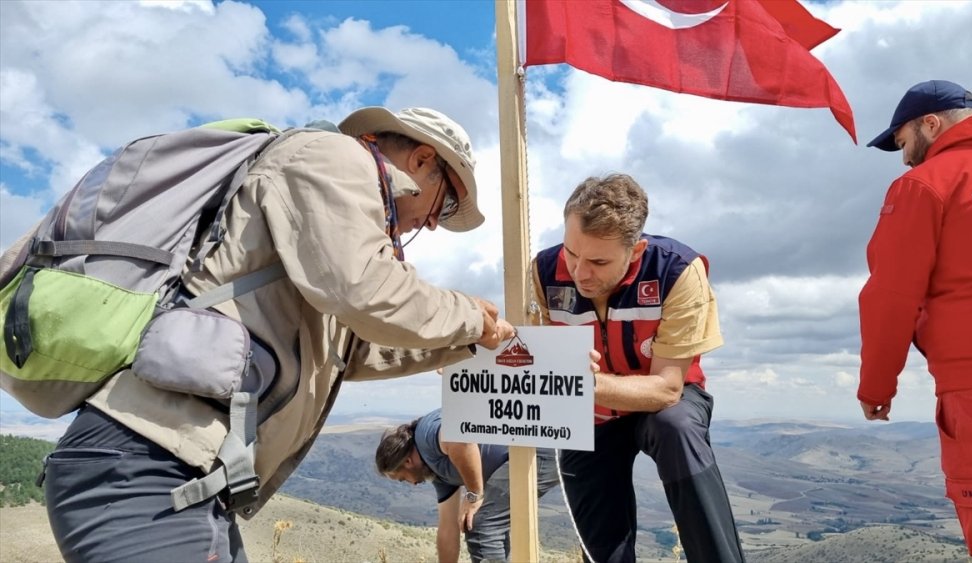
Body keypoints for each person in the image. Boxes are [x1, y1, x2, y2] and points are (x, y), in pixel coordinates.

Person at [17, 106, 517, 563]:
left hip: (178, 472)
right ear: (424, 159)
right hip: (146, 467)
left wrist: (467, 341)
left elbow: (355, 349)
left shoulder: (331, 228)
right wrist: (470, 316)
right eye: (446, 206)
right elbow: (364, 289)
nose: (432, 225)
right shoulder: (334, 158)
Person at [531, 174, 745, 563]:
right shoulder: (543, 272)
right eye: (571, 252)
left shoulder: (678, 270)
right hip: (590, 414)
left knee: (675, 428)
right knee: (600, 549)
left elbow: (667, 389)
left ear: (636, 249)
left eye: (598, 261)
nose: (580, 273)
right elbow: (528, 352)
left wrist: (588, 384)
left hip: (664, 402)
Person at [858, 79, 972, 562]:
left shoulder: (927, 184)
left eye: (903, 143)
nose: (905, 159)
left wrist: (876, 388)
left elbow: (891, 296)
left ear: (930, 124)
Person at [375, 409, 560, 563]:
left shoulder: (425, 435)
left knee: (481, 523)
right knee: (482, 523)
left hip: (536, 448)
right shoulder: (437, 473)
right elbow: (448, 528)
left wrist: (474, 494)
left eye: (402, 478)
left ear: (407, 461)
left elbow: (460, 440)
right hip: (526, 453)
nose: (412, 484)